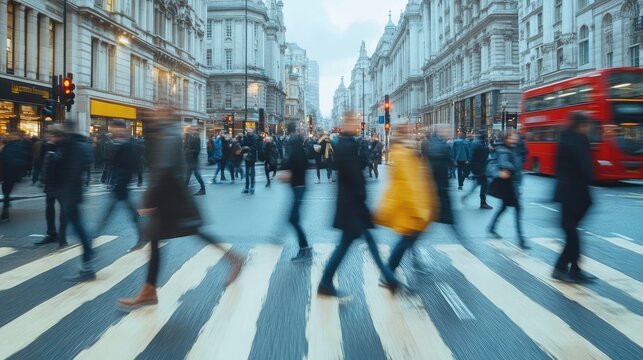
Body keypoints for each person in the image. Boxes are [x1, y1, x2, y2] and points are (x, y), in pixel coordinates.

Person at [117, 111, 242, 311]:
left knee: (191, 234)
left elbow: (162, 170)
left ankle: (234, 258)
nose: (154, 111)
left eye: (158, 109)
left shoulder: (167, 135)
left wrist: (148, 201)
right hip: (171, 199)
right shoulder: (166, 134)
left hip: (172, 201)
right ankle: (149, 290)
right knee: (161, 239)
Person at [318, 116, 401, 297]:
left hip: (351, 205)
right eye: (354, 122)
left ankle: (389, 278)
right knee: (357, 245)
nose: (358, 125)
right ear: (347, 124)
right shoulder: (347, 146)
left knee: (356, 244)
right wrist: (362, 196)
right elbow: (354, 177)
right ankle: (389, 278)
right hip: (352, 206)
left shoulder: (346, 143)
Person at [375, 126, 439, 277]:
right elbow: (410, 183)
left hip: (408, 203)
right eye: (408, 132)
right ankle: (389, 272)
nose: (412, 134)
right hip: (410, 205)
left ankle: (403, 267)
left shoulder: (403, 152)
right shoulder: (403, 154)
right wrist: (420, 209)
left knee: (409, 239)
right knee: (407, 239)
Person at [552, 112, 596, 283]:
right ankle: (564, 268)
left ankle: (569, 268)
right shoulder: (579, 139)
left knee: (571, 231)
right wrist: (590, 175)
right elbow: (586, 167)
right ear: (581, 125)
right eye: (588, 124)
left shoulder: (564, 138)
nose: (589, 127)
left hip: (565, 192)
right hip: (577, 193)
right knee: (572, 232)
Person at [94, 121, 143, 252]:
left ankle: (95, 236)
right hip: (120, 185)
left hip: (121, 185)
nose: (112, 132)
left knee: (110, 213)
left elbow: (130, 166)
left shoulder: (128, 145)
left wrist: (120, 182)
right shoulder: (119, 143)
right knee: (129, 212)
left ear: (121, 129)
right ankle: (142, 235)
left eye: (114, 129)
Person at [57, 123, 95, 282]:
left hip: (71, 193)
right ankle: (88, 259)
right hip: (71, 193)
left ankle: (88, 263)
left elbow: (72, 171)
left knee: (78, 229)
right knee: (77, 228)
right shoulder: (75, 145)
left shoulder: (73, 146)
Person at [421, 128, 466, 241]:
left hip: (430, 187)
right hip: (442, 186)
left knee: (426, 219)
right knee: (449, 217)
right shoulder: (444, 147)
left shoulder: (429, 145)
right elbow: (452, 163)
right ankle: (462, 239)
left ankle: (411, 241)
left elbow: (425, 162)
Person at [486, 133, 529, 249]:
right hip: (509, 187)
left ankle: (492, 227)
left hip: (510, 185)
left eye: (515, 137)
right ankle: (521, 239)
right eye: (511, 137)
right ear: (506, 139)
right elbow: (502, 163)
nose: (514, 138)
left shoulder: (512, 148)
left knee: (503, 208)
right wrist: (509, 169)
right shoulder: (503, 150)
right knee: (518, 211)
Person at [280, 124, 311, 262]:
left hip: (299, 187)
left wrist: (285, 168)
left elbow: (292, 165)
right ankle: (304, 248)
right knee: (293, 219)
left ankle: (305, 249)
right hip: (299, 187)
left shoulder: (296, 153)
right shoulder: (300, 151)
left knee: (293, 219)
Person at [34, 127, 68, 248]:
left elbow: (62, 164)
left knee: (64, 210)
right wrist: (41, 179)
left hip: (61, 183)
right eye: (48, 135)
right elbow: (43, 163)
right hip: (50, 182)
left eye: (51, 135)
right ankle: (52, 233)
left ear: (58, 135)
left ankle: (62, 236)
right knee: (49, 207)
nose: (49, 137)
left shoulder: (64, 147)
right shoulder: (46, 146)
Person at [0, 131, 30, 221]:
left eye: (13, 134)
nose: (10, 136)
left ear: (18, 136)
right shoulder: (9, 144)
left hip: (11, 172)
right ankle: (6, 205)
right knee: (5, 190)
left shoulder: (19, 145)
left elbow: (18, 158)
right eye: (10, 134)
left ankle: (5, 211)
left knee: (6, 191)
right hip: (6, 171)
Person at [462, 131, 493, 209]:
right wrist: (488, 149)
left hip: (479, 167)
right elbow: (478, 156)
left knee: (478, 184)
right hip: (479, 168)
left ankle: (467, 196)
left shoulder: (480, 142)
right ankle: (483, 202)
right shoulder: (479, 143)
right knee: (484, 183)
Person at [184, 126, 206, 195]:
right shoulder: (190, 137)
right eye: (189, 130)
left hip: (194, 159)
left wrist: (189, 151)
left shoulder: (196, 138)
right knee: (188, 174)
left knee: (196, 174)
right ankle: (184, 189)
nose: (190, 131)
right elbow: (185, 146)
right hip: (190, 160)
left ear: (195, 130)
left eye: (191, 130)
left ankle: (203, 189)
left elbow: (197, 150)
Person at [241, 128, 260, 194]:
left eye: (250, 130)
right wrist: (244, 152)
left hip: (252, 157)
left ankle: (252, 187)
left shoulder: (255, 137)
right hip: (246, 156)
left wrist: (247, 148)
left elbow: (255, 147)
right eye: (248, 130)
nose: (248, 131)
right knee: (247, 173)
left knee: (252, 173)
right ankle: (246, 187)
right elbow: (242, 146)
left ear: (252, 131)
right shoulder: (245, 137)